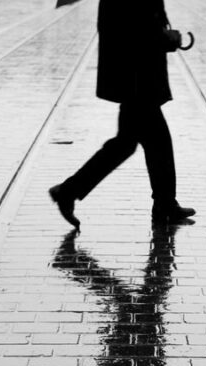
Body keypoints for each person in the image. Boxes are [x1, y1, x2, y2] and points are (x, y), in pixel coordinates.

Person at [49, 0, 195, 228]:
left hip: (135, 76)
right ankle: (68, 190)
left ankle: (165, 204)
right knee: (138, 142)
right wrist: (165, 39)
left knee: (143, 142)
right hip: (136, 78)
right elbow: (132, 31)